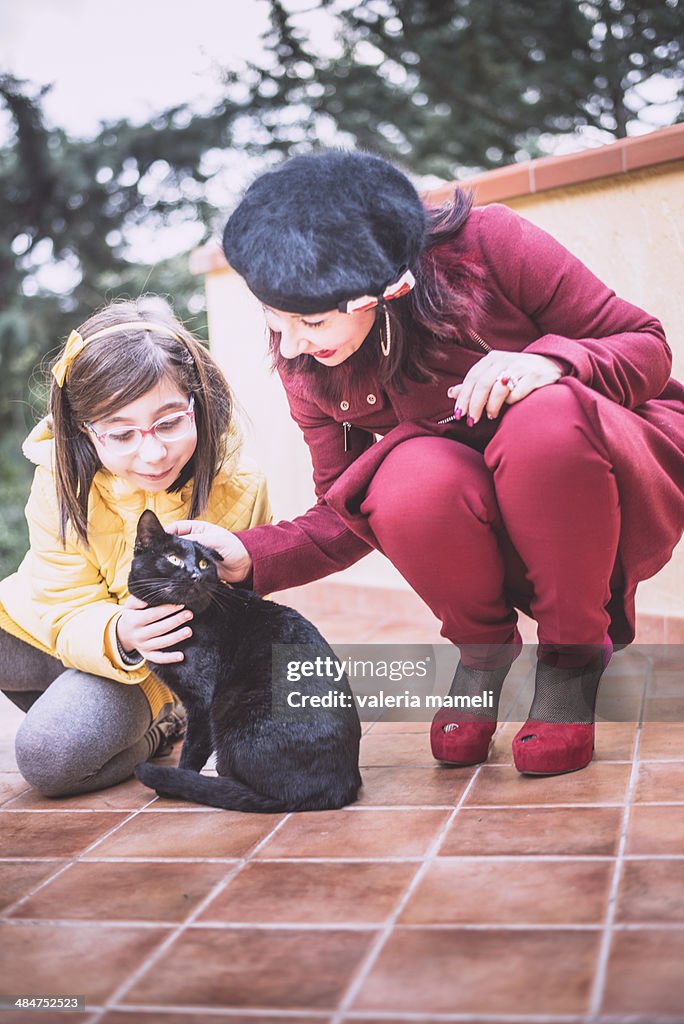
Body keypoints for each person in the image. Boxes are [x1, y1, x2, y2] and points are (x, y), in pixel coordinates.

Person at [174, 149, 684, 777]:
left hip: (594, 477)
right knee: (407, 477)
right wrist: (254, 555)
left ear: (389, 288)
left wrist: (548, 363)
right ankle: (482, 654)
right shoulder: (308, 366)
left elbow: (645, 345)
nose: (290, 344)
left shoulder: (492, 243)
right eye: (273, 319)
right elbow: (345, 507)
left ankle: (572, 658)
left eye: (310, 320)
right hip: (477, 514)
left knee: (541, 418)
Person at [0, 299, 271, 796]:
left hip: (162, 655)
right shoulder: (59, 480)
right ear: (86, 431)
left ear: (198, 403)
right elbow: (60, 603)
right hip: (79, 629)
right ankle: (92, 713)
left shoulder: (242, 485)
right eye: (121, 433)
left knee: (49, 759)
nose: (151, 452)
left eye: (168, 423)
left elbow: (241, 610)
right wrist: (118, 631)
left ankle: (160, 722)